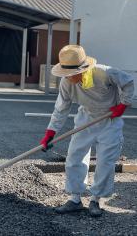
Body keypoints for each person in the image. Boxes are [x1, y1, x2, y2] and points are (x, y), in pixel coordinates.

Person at [40, 45, 134, 217]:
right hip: (86, 118)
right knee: (75, 157)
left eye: (71, 74)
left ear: (83, 69)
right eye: (65, 74)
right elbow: (61, 108)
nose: (68, 78)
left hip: (109, 120)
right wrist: (50, 132)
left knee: (106, 160)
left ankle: (96, 200)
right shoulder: (66, 83)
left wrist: (123, 104)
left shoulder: (105, 72)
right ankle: (75, 199)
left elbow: (128, 82)